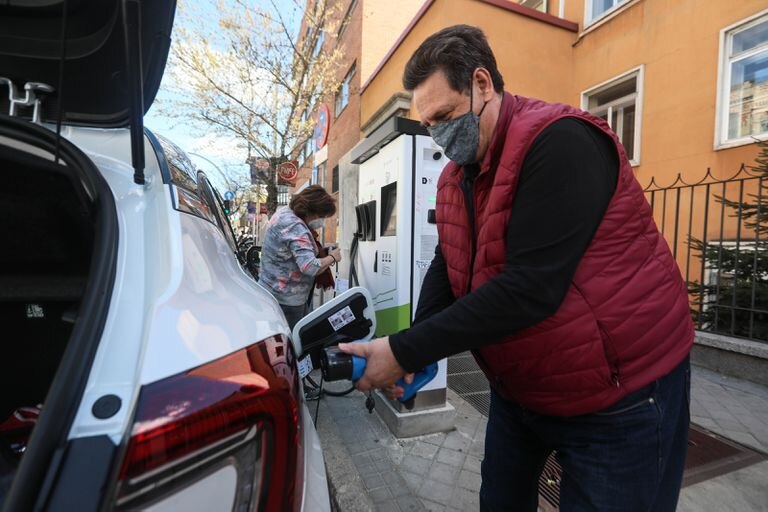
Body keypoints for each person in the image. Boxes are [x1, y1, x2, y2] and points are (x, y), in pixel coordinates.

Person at [338, 25, 693, 511]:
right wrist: (420, 345)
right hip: (521, 388)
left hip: (620, 393)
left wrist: (400, 350)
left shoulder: (560, 141)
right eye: (429, 124)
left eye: (444, 116)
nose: (439, 135)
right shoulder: (454, 177)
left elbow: (529, 289)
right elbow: (449, 258)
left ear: (483, 84)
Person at [258, 185, 341, 330]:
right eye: (322, 216)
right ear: (311, 211)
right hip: (286, 299)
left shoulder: (284, 213)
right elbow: (309, 266)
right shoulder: (294, 226)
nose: (322, 222)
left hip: (273, 291)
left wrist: (322, 252)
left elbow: (295, 251)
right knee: (293, 341)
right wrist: (332, 258)